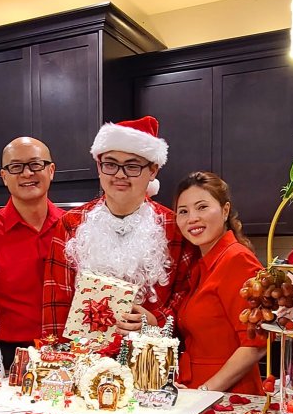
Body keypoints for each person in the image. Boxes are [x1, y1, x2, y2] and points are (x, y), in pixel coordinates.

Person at [41, 116, 197, 339]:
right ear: (99, 166)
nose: (120, 174)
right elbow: (56, 303)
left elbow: (187, 298)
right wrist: (57, 353)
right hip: (82, 355)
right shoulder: (71, 223)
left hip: (151, 355)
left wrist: (156, 322)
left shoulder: (175, 226)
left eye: (132, 166)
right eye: (110, 164)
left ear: (153, 170)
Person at [0, 136, 63, 368]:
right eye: (16, 167)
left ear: (51, 170)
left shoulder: (75, 229)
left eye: (36, 164)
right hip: (7, 360)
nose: (27, 173)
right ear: (4, 176)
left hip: (70, 353)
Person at [174, 171, 267, 394]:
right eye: (183, 211)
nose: (192, 218)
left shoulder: (237, 260)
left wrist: (205, 392)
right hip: (197, 392)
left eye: (202, 207)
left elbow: (255, 344)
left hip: (228, 396)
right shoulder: (201, 266)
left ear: (225, 211)